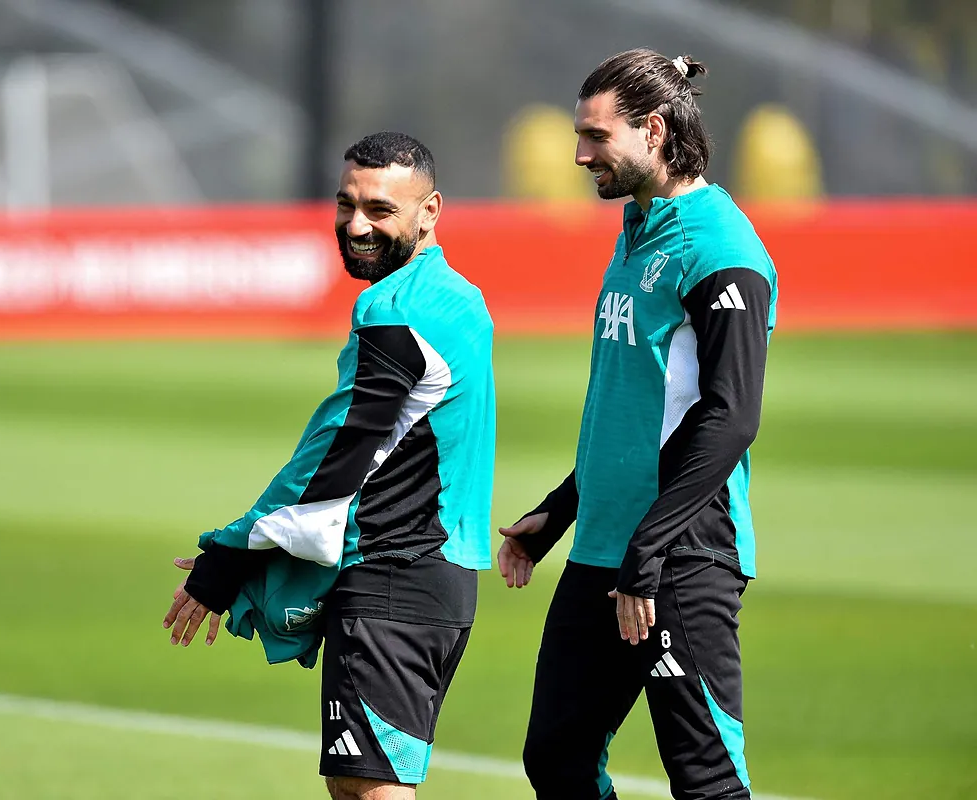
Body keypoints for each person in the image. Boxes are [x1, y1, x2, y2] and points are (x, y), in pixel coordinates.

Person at [163, 131, 496, 800]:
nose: (357, 225)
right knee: (356, 785)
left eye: (380, 210)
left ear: (430, 211)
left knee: (371, 791)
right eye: (347, 204)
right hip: (434, 576)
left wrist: (230, 551)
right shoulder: (458, 296)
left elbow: (341, 450)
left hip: (394, 575)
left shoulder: (395, 307)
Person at [498, 49, 778, 800]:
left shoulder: (720, 249)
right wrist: (560, 510)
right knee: (557, 760)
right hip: (604, 550)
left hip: (680, 556)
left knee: (707, 783)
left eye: (596, 136)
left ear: (654, 130)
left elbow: (730, 416)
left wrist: (648, 552)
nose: (580, 155)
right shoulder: (639, 227)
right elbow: (634, 410)